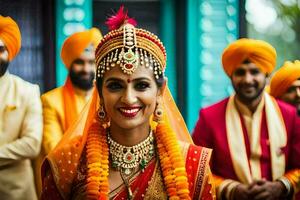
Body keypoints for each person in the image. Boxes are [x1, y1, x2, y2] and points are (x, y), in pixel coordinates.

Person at [41, 7, 216, 200]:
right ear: (99, 91)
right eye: (115, 86)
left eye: (141, 85)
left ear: (160, 91)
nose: (129, 98)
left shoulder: (191, 162)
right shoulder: (68, 163)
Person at [192, 38, 300, 200]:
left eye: (254, 72)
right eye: (240, 72)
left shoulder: (289, 115)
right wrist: (232, 190)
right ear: (231, 76)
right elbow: (197, 172)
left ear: (266, 75)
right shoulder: (209, 117)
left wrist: (280, 186)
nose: (248, 80)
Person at [34, 28, 102, 196]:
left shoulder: (106, 100)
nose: (86, 68)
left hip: (104, 179)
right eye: (79, 62)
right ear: (69, 64)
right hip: (65, 182)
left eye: (91, 62)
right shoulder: (51, 100)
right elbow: (54, 147)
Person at [0, 15, 42, 200]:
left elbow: (32, 144)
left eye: (0, 49)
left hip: (16, 192)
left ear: (10, 52)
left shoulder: (28, 91)